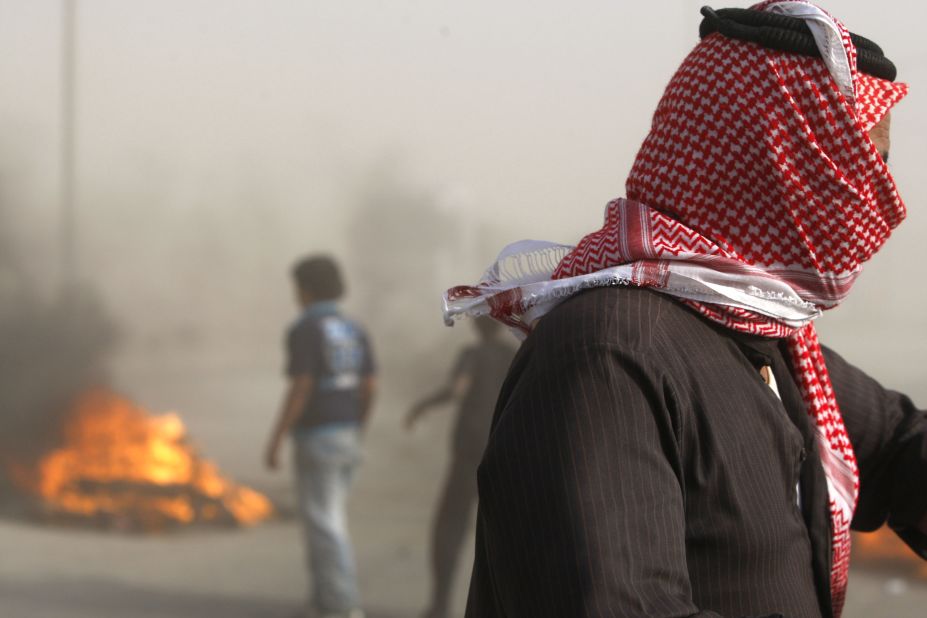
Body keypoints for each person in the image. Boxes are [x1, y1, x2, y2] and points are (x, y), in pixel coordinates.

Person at [443, 3, 926, 617]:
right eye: (862, 169)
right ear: (772, 167)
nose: (881, 200)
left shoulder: (771, 346)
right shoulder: (611, 353)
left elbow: (900, 448)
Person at [265, 255, 375, 618]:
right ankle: (323, 600)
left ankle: (343, 606)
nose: (295, 294)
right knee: (324, 519)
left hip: (317, 436)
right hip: (346, 433)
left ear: (307, 289)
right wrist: (357, 426)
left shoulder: (305, 330)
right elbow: (370, 386)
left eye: (296, 286)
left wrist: (277, 437)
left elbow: (302, 386)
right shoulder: (355, 329)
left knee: (325, 523)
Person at [405, 317, 517, 618]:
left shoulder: (473, 354)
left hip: (469, 451)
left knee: (449, 526)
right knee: (505, 530)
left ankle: (440, 603)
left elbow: (458, 389)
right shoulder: (514, 355)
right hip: (503, 446)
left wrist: (423, 405)